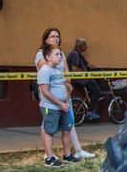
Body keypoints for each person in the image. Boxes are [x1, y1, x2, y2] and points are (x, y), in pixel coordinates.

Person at [35, 28, 94, 158]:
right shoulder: (41, 54)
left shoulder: (60, 53)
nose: (55, 38)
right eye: (52, 36)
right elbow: (47, 72)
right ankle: (48, 154)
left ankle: (77, 150)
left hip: (64, 93)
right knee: (47, 124)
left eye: (57, 36)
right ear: (46, 39)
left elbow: (66, 71)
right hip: (49, 96)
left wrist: (68, 84)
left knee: (69, 122)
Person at [37, 45, 78, 167]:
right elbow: (45, 92)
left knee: (67, 130)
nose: (60, 56)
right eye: (56, 54)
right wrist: (59, 103)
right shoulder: (44, 71)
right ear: (48, 57)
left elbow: (63, 86)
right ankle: (49, 159)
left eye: (60, 54)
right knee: (49, 131)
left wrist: (66, 102)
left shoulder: (58, 70)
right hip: (51, 107)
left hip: (64, 106)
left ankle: (67, 155)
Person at [67, 38, 104, 122]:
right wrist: (86, 73)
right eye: (85, 45)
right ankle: (90, 111)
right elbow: (74, 69)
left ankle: (93, 101)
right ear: (80, 46)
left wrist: (99, 70)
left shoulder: (79, 55)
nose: (87, 47)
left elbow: (88, 65)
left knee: (96, 88)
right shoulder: (75, 54)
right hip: (80, 79)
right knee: (97, 91)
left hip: (84, 78)